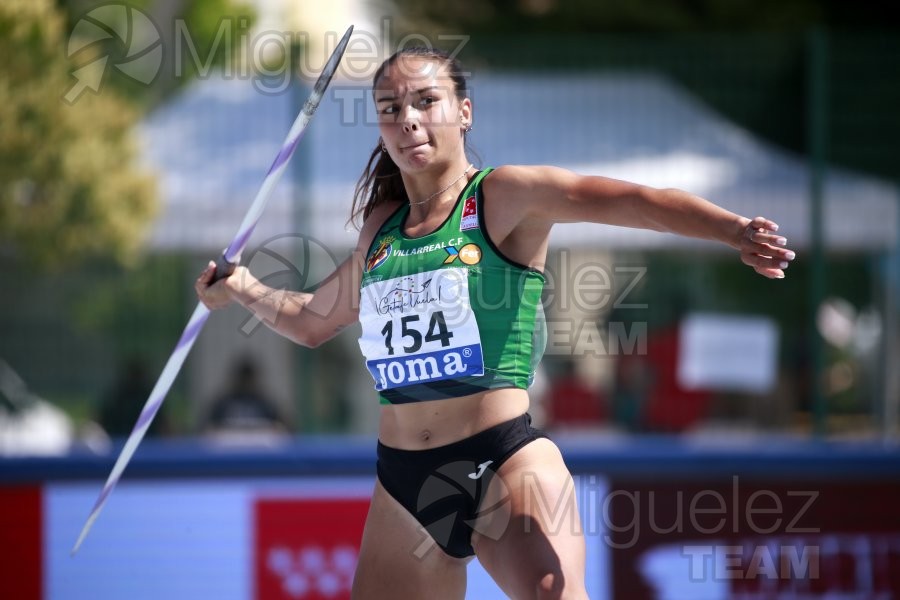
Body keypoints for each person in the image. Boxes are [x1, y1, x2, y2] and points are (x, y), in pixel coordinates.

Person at [195, 47, 796, 600]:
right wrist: (242, 288)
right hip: (403, 482)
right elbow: (312, 321)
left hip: (501, 463)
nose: (408, 119)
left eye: (426, 101)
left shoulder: (502, 197)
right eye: (390, 108)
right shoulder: (381, 227)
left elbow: (626, 200)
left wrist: (732, 231)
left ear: (463, 112)